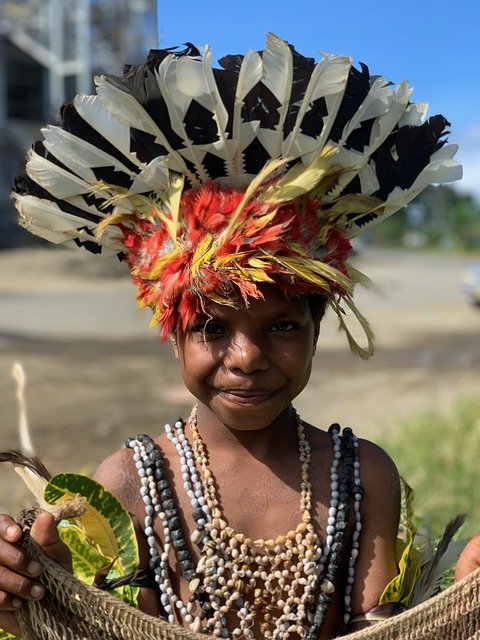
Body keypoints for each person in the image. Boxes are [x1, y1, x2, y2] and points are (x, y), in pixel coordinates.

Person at [0, 34, 477, 639]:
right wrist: (37, 592)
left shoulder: (361, 476)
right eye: (212, 328)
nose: (247, 357)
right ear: (173, 335)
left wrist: (462, 600)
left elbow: (384, 632)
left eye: (280, 325)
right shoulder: (127, 482)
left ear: (315, 328)